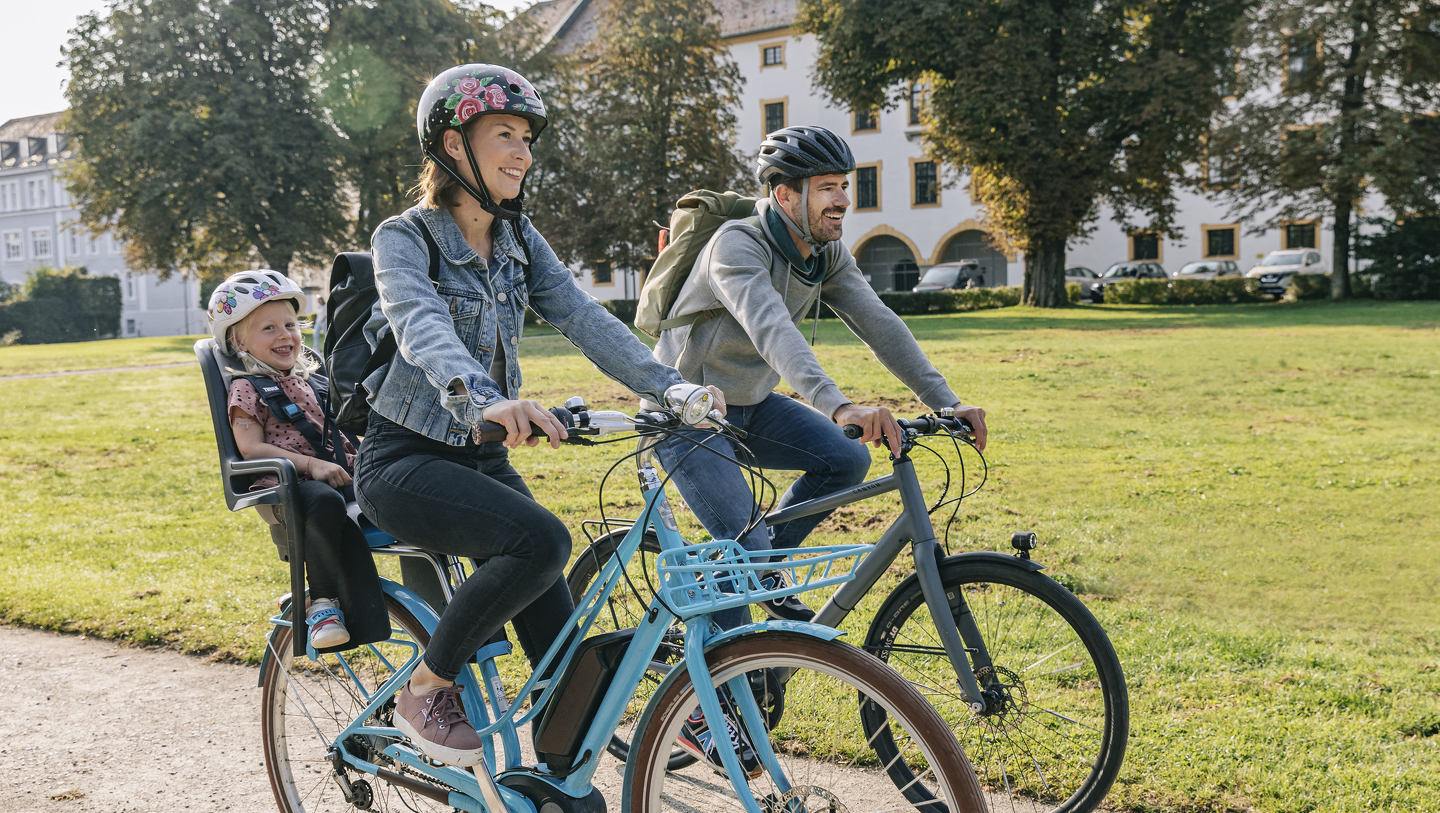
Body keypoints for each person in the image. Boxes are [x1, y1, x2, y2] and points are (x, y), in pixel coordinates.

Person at [351, 63, 754, 776]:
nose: (523, 153)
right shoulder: (403, 236)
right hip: (402, 460)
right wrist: (485, 399)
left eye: (528, 138)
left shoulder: (516, 237)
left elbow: (580, 315)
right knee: (541, 542)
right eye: (504, 134)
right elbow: (420, 325)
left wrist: (671, 388)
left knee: (559, 637)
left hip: (478, 460)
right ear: (452, 145)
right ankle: (426, 688)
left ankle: (560, 786)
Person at [650, 125, 989, 629]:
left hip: (751, 406)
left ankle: (760, 572)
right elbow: (772, 328)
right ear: (785, 193)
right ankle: (713, 699)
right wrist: (839, 405)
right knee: (748, 546)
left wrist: (946, 400)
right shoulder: (736, 245)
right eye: (827, 187)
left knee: (845, 457)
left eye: (844, 185)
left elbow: (880, 324)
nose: (843, 200)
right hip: (690, 416)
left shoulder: (823, 252)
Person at [212, 270, 385, 652]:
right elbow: (251, 449)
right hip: (289, 484)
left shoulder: (314, 379)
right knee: (323, 500)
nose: (284, 335)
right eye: (268, 328)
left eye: (290, 324)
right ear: (238, 340)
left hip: (340, 472)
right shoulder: (247, 387)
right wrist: (311, 467)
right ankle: (322, 603)